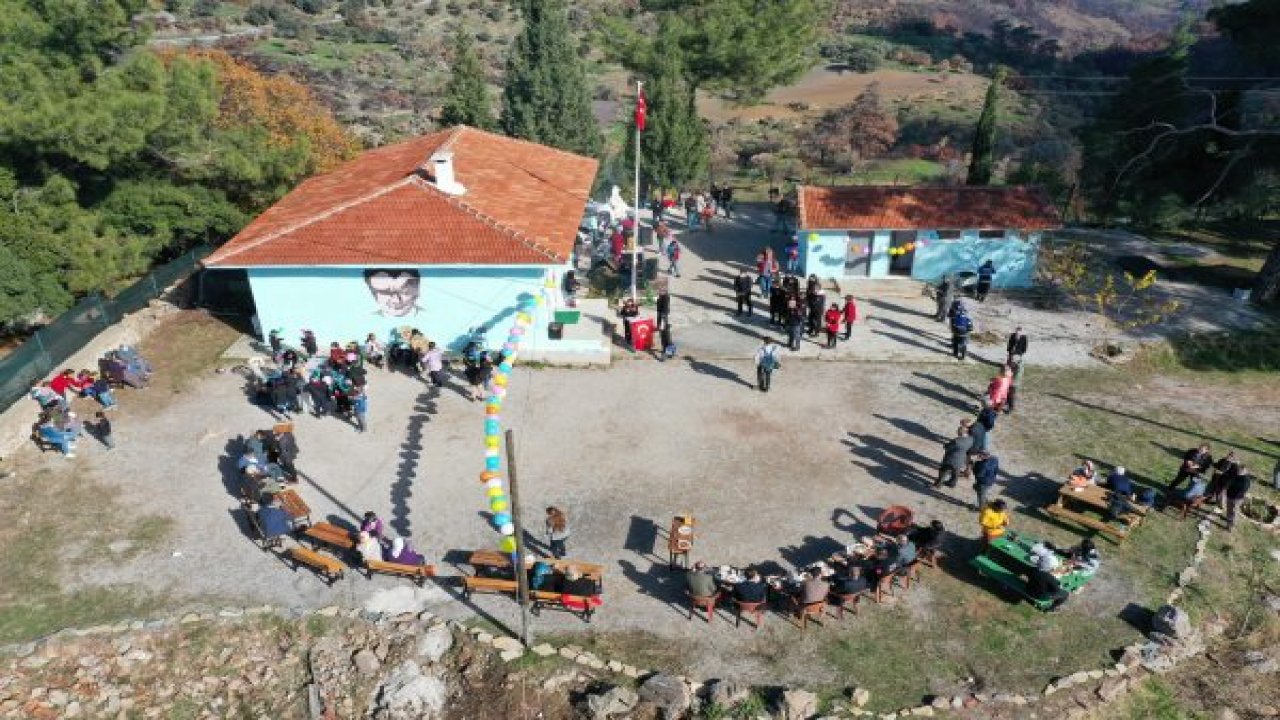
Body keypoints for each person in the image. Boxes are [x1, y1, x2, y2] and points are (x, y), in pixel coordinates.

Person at [1223, 465, 1253, 531]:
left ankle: (1231, 526)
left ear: (1245, 472)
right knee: (1229, 509)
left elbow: (1242, 490)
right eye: (1239, 470)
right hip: (1230, 495)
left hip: (1236, 498)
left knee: (1234, 511)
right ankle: (1228, 518)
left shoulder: (1246, 480)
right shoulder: (1236, 475)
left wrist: (1232, 489)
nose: (1239, 471)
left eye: (1241, 471)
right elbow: (1230, 482)